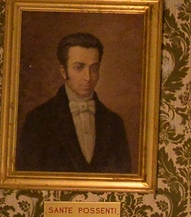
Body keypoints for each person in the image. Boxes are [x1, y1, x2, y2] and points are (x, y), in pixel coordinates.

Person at [15, 32, 134, 173]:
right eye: (79, 67)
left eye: (94, 68)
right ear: (63, 71)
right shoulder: (38, 119)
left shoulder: (114, 123)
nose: (88, 77)